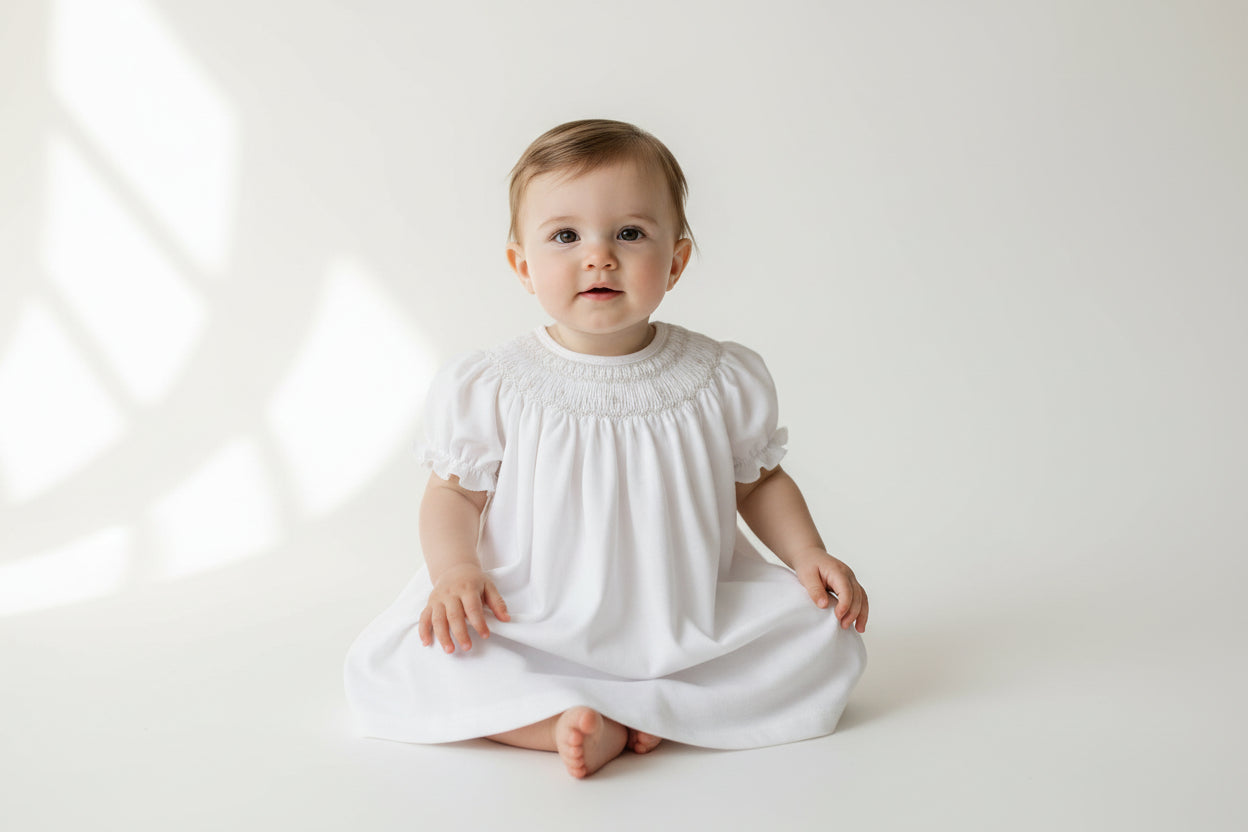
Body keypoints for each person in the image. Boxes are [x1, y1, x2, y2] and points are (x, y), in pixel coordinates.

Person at [344, 119, 868, 778]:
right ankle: (563, 721)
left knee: (821, 636)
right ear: (522, 266)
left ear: (675, 261)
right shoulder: (495, 382)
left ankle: (650, 702)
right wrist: (455, 572)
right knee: (408, 656)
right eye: (566, 236)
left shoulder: (719, 376)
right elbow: (454, 491)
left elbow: (759, 481)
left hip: (684, 615)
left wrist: (806, 552)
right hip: (532, 616)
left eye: (630, 233)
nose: (600, 256)